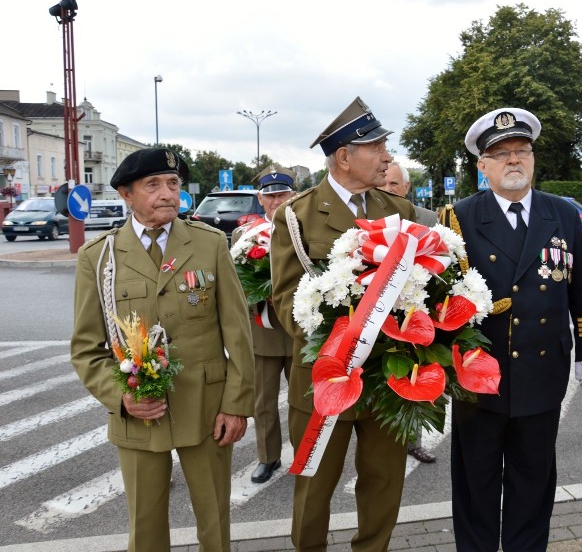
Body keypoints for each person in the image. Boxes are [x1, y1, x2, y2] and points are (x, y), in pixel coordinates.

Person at [71, 147, 255, 552]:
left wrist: (237, 404)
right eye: (152, 184)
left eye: (173, 184)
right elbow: (86, 349)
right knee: (146, 525)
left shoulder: (209, 244)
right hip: (139, 412)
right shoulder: (98, 258)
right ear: (126, 194)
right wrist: (121, 398)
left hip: (208, 407)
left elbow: (238, 334)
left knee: (215, 521)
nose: (167, 193)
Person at [447, 107, 582, 551]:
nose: (513, 160)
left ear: (533, 159)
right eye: (500, 154)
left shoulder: (562, 215)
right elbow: (444, 303)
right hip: (480, 376)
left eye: (521, 151)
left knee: (533, 482)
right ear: (483, 166)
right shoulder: (458, 217)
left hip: (542, 371)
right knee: (476, 483)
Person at [270, 97, 416, 551]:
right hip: (324, 380)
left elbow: (418, 290)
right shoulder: (297, 215)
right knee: (315, 486)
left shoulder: (400, 212)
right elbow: (286, 302)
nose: (387, 157)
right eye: (377, 147)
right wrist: (344, 344)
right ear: (345, 156)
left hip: (387, 377)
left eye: (386, 147)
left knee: (384, 482)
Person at [232, 165, 297, 483]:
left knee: (303, 401)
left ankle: (305, 454)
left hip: (298, 329)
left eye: (282, 194)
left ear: (293, 195)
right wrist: (259, 295)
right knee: (263, 402)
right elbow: (236, 284)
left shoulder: (305, 230)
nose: (276, 201)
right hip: (261, 329)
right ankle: (268, 458)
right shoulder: (243, 236)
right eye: (269, 196)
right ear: (260, 199)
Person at [379, 161, 438, 464]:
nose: (387, 190)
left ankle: (413, 440)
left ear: (406, 188)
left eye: (394, 184)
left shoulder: (428, 218)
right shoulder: (370, 218)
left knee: (415, 379)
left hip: (418, 315)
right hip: (378, 318)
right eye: (383, 184)